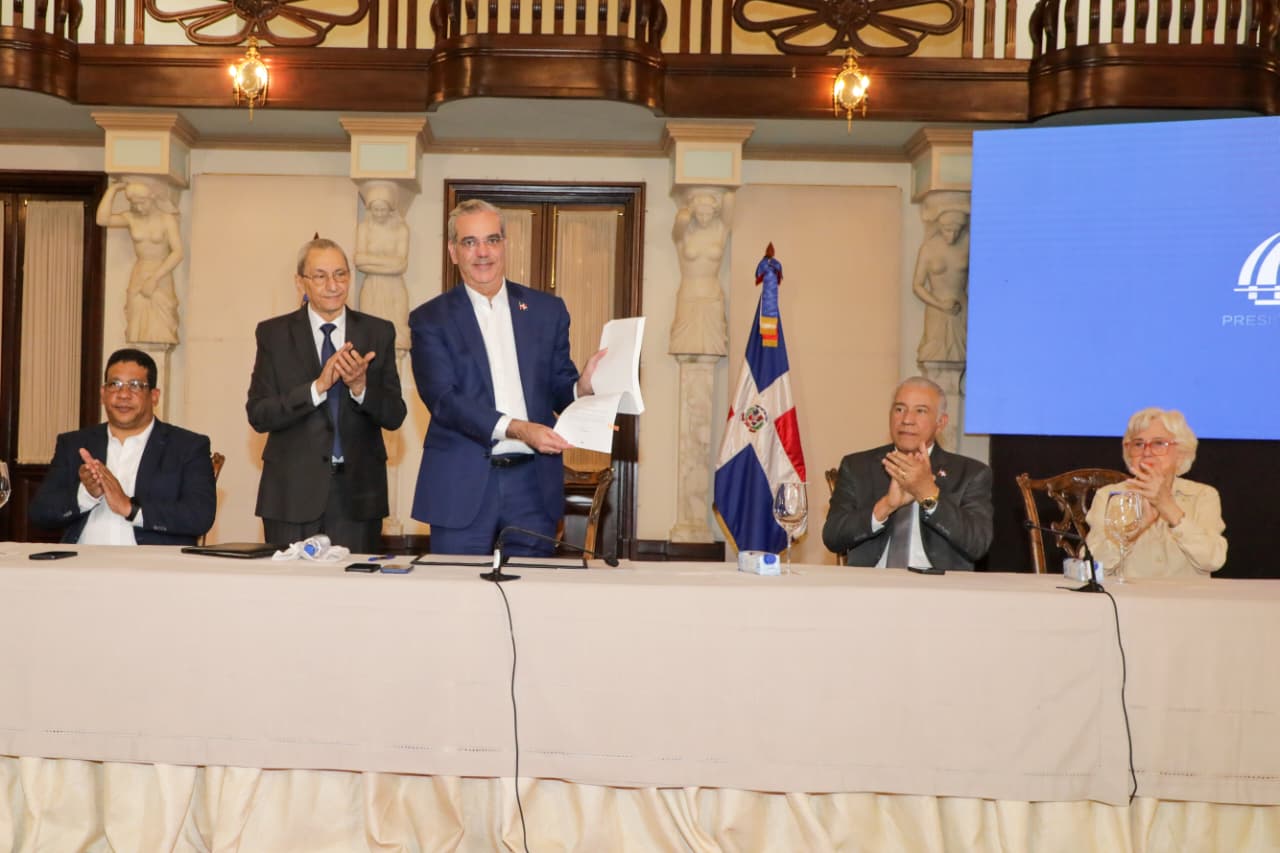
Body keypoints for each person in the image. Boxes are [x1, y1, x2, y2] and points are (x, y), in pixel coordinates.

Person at [408, 199, 604, 556]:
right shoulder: (430, 319)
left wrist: (582, 387)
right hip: (461, 485)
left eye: (492, 240)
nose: (483, 252)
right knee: (455, 589)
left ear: (504, 245)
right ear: (453, 252)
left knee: (532, 589)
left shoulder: (546, 311)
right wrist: (518, 428)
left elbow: (560, 387)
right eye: (470, 242)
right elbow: (444, 401)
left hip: (533, 487)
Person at [247, 237, 407, 552]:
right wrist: (316, 388)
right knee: (289, 584)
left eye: (340, 274)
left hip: (358, 498)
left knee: (352, 583)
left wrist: (361, 389)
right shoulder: (274, 334)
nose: (333, 285)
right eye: (320, 276)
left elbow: (395, 414)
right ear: (300, 282)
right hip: (290, 495)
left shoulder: (377, 332)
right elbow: (259, 414)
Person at [28, 348, 215, 545]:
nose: (123, 394)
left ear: (154, 395)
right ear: (103, 394)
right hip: (83, 560)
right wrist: (86, 494)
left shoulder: (187, 447)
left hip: (152, 562)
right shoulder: (74, 444)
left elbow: (199, 516)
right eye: (114, 385)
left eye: (135, 385)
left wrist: (130, 509)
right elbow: (40, 512)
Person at [823, 376, 993, 570]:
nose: (907, 420)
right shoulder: (857, 466)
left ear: (941, 423)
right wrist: (886, 506)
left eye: (920, 411)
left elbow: (978, 544)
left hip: (938, 584)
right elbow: (832, 537)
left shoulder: (970, 474)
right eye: (899, 409)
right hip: (871, 582)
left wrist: (929, 495)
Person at [1084, 408, 1226, 578]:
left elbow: (1213, 560)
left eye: (1158, 443)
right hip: (1128, 594)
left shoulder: (1203, 495)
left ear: (1181, 453)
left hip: (1187, 595)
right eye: (1138, 444)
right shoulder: (1109, 496)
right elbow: (1091, 568)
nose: (1146, 452)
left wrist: (1168, 507)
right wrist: (1133, 530)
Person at [96, 179, 184, 345]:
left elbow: (178, 252)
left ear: (152, 198)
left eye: (142, 203)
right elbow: (102, 220)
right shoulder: (131, 218)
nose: (139, 208)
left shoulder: (167, 219)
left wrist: (154, 279)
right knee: (135, 323)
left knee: (162, 323)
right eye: (135, 204)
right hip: (140, 271)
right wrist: (112, 190)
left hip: (161, 273)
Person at [669, 188, 733, 356]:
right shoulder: (684, 234)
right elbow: (681, 221)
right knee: (683, 347)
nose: (704, 218)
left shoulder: (720, 230)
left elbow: (730, 198)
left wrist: (723, 187)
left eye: (708, 214)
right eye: (700, 214)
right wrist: (688, 209)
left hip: (712, 294)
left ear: (715, 212)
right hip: (689, 292)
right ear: (693, 212)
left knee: (713, 347)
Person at [355, 182, 411, 352]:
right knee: (369, 330)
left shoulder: (401, 230)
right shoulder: (364, 228)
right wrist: (390, 262)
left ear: (390, 208)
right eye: (375, 209)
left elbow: (401, 265)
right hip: (371, 286)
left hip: (394, 287)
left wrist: (370, 261)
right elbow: (359, 261)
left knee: (398, 331)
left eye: (383, 209)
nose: (379, 214)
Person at [912, 208, 969, 363]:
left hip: (961, 308)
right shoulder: (929, 248)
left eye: (956, 231)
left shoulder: (969, 243)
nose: (952, 236)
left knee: (963, 355)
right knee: (933, 355)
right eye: (947, 230)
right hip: (936, 307)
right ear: (940, 226)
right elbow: (917, 285)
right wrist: (940, 304)